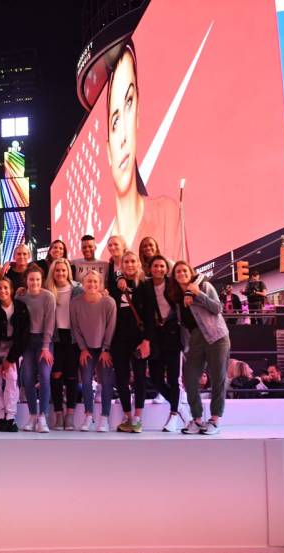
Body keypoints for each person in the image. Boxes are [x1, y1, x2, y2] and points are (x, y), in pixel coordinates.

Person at [97, 41, 183, 261]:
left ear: (137, 117)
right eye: (115, 122)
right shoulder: (100, 251)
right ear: (107, 149)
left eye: (128, 103)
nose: (124, 135)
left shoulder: (167, 213)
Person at [169, 261, 230, 435]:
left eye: (184, 270)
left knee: (218, 378)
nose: (181, 273)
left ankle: (215, 420)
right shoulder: (177, 296)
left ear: (190, 272)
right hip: (195, 339)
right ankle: (196, 419)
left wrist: (198, 294)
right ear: (174, 276)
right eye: (178, 271)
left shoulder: (204, 285)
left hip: (217, 336)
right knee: (189, 378)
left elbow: (217, 308)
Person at [139, 254, 184, 432]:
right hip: (155, 336)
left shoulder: (173, 284)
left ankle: (173, 414)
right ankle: (178, 405)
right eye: (155, 266)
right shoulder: (146, 286)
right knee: (156, 378)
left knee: (173, 378)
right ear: (149, 269)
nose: (159, 269)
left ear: (167, 268)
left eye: (162, 266)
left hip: (172, 335)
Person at [0, 277, 30, 432]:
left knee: (12, 379)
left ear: (11, 289)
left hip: (13, 348)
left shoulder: (21, 307)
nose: (3, 291)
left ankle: (10, 417)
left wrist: (11, 358)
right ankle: (0, 417)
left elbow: (24, 335)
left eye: (6, 288)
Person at [70, 270, 117, 432]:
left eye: (95, 282)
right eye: (89, 281)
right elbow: (75, 327)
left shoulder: (109, 302)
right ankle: (88, 415)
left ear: (100, 284)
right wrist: (82, 349)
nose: (92, 284)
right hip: (86, 349)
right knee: (86, 381)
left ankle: (105, 417)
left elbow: (111, 328)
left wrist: (106, 349)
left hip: (104, 348)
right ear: (83, 284)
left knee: (106, 382)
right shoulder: (75, 303)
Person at [109, 251, 148, 432]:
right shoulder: (117, 283)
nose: (130, 264)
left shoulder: (144, 285)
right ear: (122, 265)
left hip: (138, 339)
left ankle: (138, 418)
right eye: (126, 262)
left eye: (133, 261)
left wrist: (147, 340)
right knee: (122, 378)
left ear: (138, 263)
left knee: (140, 377)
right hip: (118, 338)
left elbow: (150, 316)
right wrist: (118, 277)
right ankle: (127, 417)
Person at [16, 265, 56, 432]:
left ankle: (43, 417)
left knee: (45, 377)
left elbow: (49, 323)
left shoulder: (48, 297)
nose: (34, 282)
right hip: (27, 342)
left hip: (43, 341)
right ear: (26, 280)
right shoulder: (21, 296)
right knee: (27, 378)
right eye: (31, 279)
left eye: (38, 279)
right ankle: (32, 415)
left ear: (42, 280)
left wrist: (46, 346)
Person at [44, 257, 83, 430]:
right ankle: (58, 415)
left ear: (68, 271)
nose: (60, 273)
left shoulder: (77, 290)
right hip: (55, 338)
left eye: (63, 270)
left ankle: (70, 416)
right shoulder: (47, 290)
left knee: (72, 377)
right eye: (57, 270)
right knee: (56, 376)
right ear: (53, 272)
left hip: (73, 338)